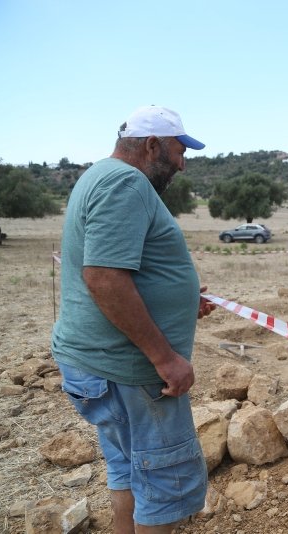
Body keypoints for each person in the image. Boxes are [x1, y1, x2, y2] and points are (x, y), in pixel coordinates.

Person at [51, 105, 214, 532]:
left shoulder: (98, 176)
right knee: (164, 485)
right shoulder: (126, 183)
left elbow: (118, 268)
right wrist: (165, 359)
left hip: (102, 367)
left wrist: (177, 298)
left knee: (130, 471)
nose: (182, 163)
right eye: (179, 151)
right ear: (152, 145)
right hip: (130, 373)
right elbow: (103, 277)